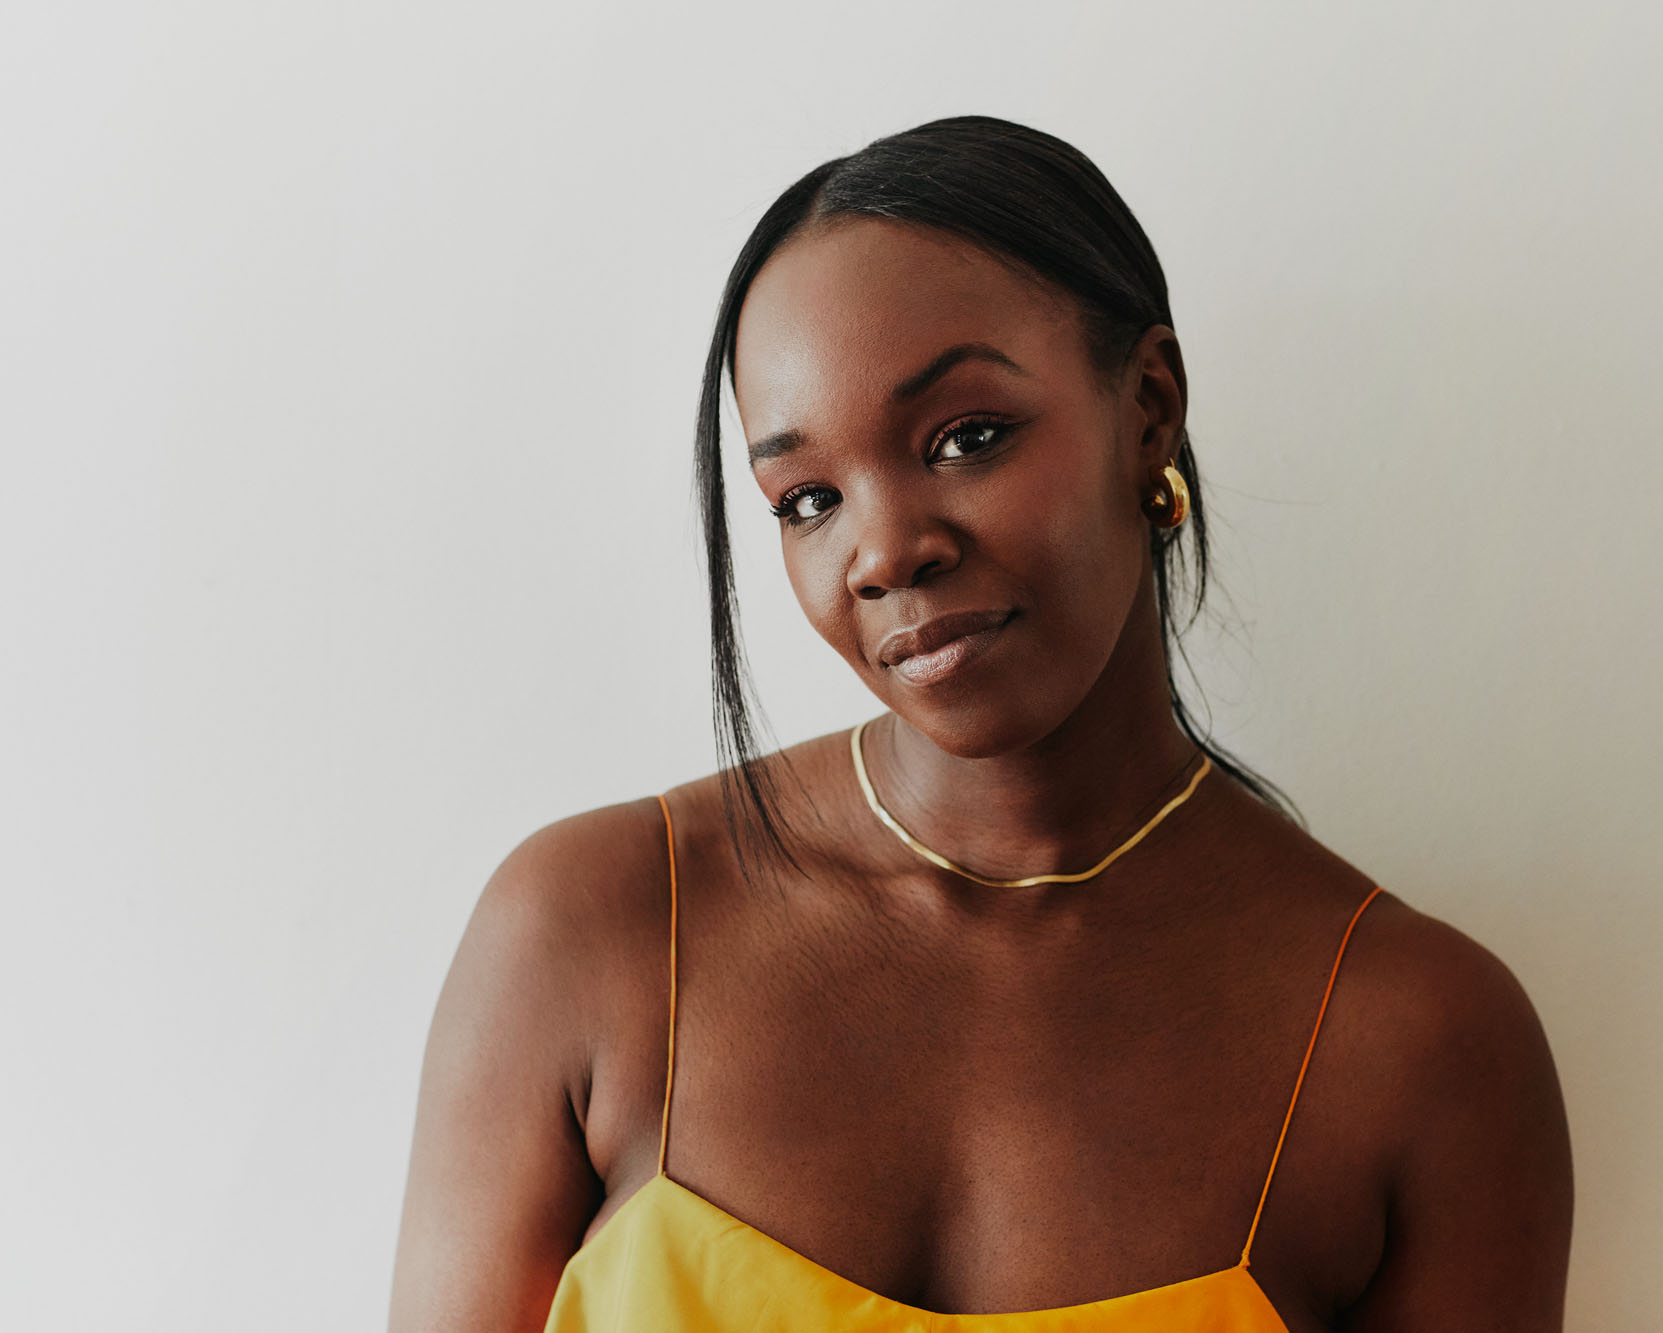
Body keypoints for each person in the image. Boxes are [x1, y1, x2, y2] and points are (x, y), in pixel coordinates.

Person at [388, 115, 1573, 1332]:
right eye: (807, 498)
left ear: (1148, 410)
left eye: (966, 439)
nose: (884, 550)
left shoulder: (1416, 1045)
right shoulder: (589, 932)